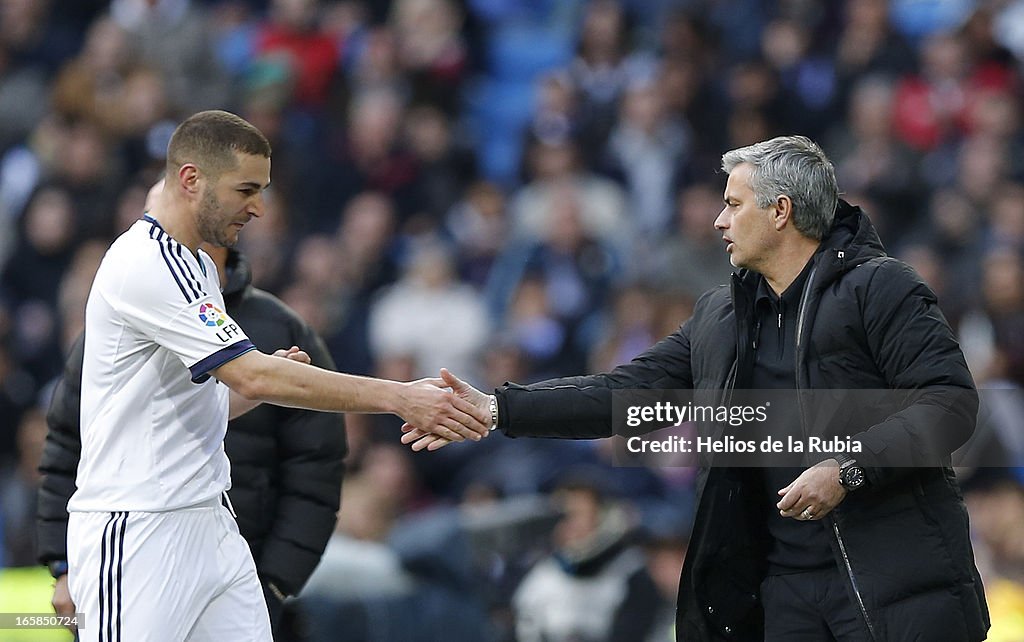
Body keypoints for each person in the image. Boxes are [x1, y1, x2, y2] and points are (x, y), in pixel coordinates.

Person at [404, 136, 990, 641]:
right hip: (782, 592)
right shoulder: (720, 316)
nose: (718, 220)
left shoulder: (880, 289)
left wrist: (847, 469)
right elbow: (625, 393)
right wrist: (497, 408)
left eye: (733, 204)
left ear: (781, 211)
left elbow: (949, 405)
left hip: (895, 583)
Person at [64, 110, 490, 642]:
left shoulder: (194, 263)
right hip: (137, 529)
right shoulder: (147, 264)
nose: (259, 208)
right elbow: (252, 377)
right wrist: (402, 397)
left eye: (262, 190)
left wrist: (268, 382)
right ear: (192, 180)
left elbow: (200, 403)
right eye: (246, 189)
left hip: (209, 518)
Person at [37, 238, 348, 636]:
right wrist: (63, 566)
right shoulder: (115, 319)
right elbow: (67, 445)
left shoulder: (280, 326)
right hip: (137, 548)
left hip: (232, 552)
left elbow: (316, 470)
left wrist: (274, 581)